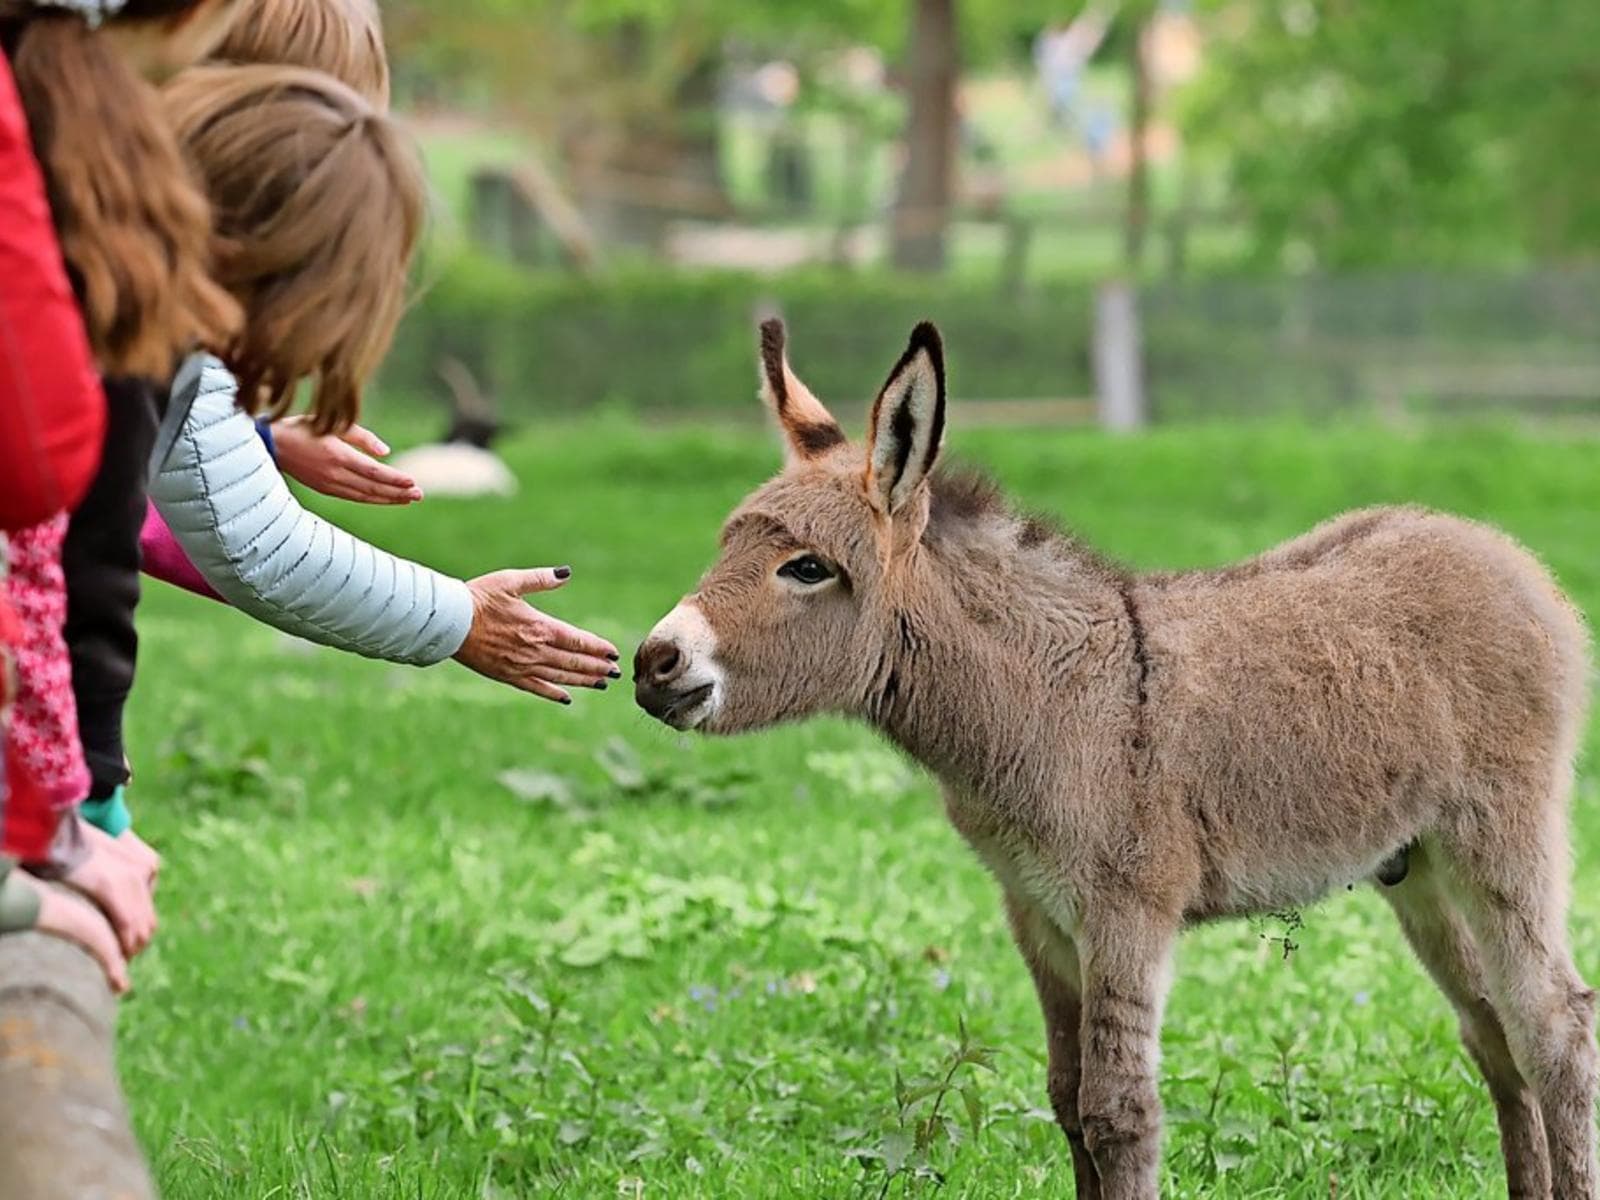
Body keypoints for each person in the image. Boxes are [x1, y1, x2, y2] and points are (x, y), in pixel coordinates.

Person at [140, 64, 618, 703]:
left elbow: (149, 499)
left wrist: (251, 438)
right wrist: (462, 618)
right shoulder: (147, 332)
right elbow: (257, 545)